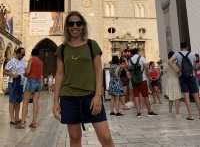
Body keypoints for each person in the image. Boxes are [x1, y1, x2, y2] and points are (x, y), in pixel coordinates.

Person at [53, 11, 114, 147]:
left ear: (83, 26)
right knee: (74, 138)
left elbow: (99, 71)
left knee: (105, 137)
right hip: (68, 98)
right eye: (71, 23)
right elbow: (59, 74)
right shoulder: (62, 49)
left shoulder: (92, 45)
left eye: (78, 23)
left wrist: (98, 95)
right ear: (67, 27)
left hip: (90, 97)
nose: (75, 26)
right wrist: (55, 101)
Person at [171, 42, 200, 120]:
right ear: (187, 47)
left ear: (181, 47)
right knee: (196, 96)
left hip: (182, 77)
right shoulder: (192, 54)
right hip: (191, 76)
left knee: (186, 96)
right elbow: (194, 66)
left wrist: (177, 70)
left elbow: (170, 62)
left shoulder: (177, 54)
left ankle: (190, 115)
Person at [16, 48, 43, 129]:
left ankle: (23, 123)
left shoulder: (31, 59)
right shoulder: (41, 62)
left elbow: (28, 71)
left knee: (25, 102)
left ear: (32, 53)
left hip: (31, 81)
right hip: (38, 82)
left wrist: (24, 74)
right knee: (35, 102)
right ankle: (34, 122)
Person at [129, 48, 158, 117]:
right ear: (137, 52)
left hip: (134, 80)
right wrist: (148, 76)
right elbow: (146, 67)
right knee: (145, 95)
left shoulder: (130, 60)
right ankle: (149, 111)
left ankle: (138, 112)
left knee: (136, 95)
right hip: (142, 79)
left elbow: (130, 70)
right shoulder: (141, 58)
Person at [4, 47, 26, 125]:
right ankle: (12, 119)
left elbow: (24, 71)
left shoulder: (23, 61)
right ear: (17, 53)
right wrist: (13, 75)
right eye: (22, 54)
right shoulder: (11, 61)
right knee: (12, 101)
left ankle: (17, 118)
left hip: (21, 83)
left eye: (24, 54)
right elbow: (5, 71)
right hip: (13, 82)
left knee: (18, 101)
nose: (23, 55)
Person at [165, 51, 182, 118]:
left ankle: (170, 111)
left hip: (169, 81)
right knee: (176, 97)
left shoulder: (166, 64)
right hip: (175, 81)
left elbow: (164, 71)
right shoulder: (175, 64)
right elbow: (179, 73)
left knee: (170, 97)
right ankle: (177, 114)